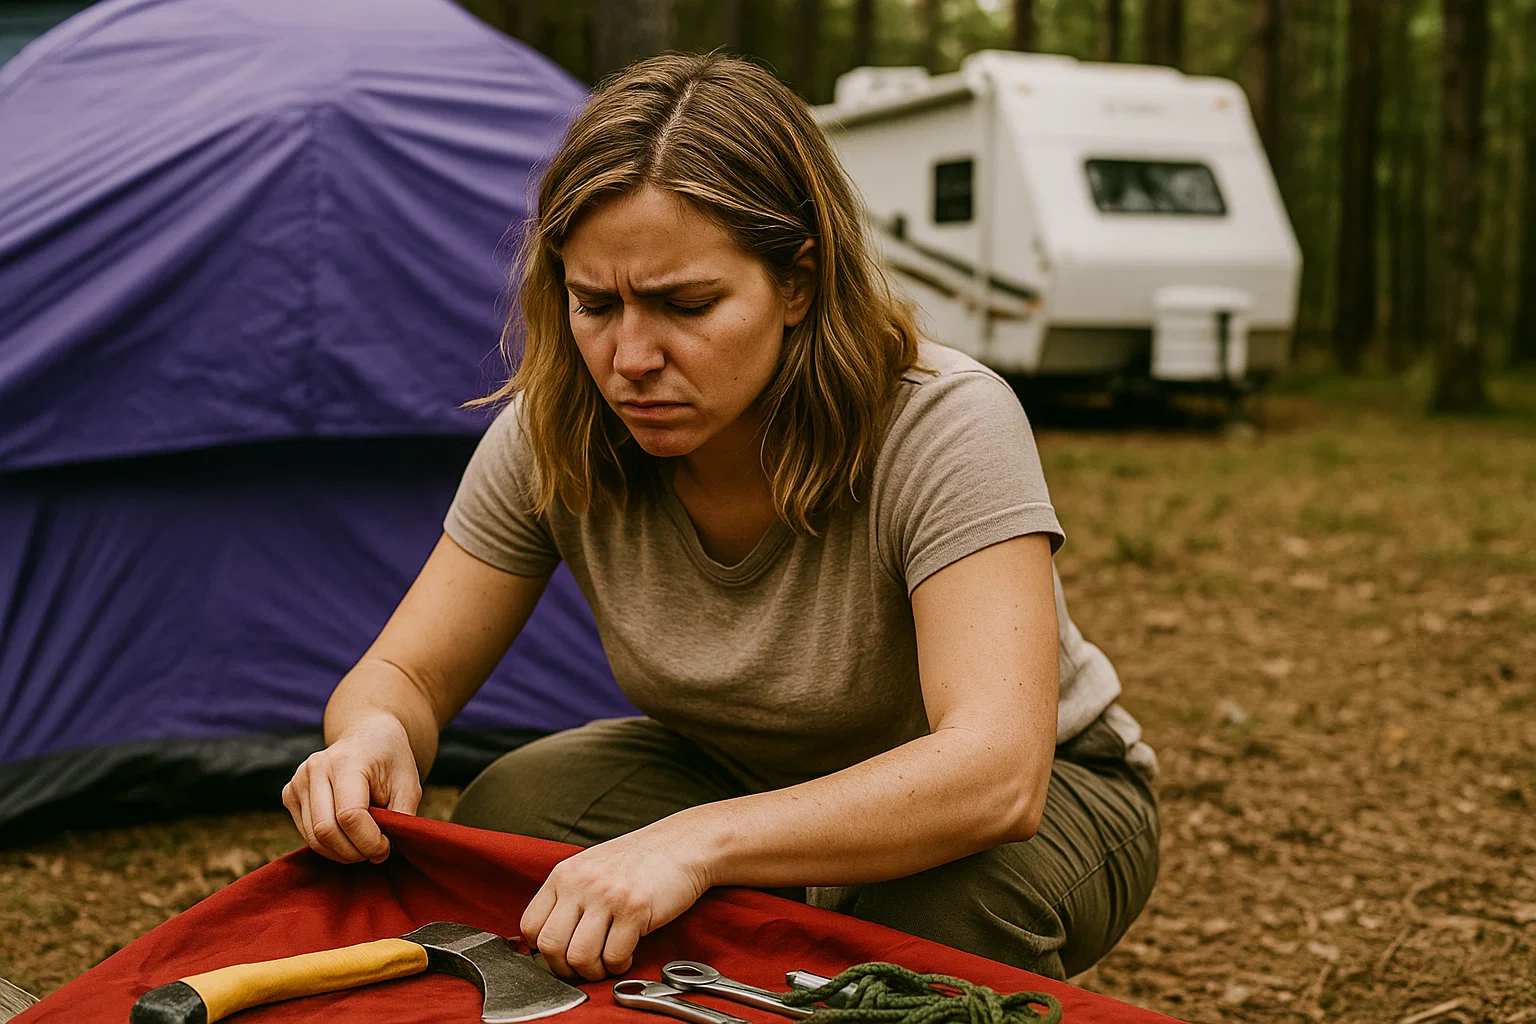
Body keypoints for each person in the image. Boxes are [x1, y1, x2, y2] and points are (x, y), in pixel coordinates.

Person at [282, 52, 1159, 987]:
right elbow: (407, 672)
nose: (630, 357)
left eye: (685, 304)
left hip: (1051, 793)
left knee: (926, 919)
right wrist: (370, 733)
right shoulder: (558, 430)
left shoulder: (943, 422)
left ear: (799, 282)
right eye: (594, 304)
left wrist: (694, 846)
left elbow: (994, 774)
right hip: (735, 774)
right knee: (513, 812)